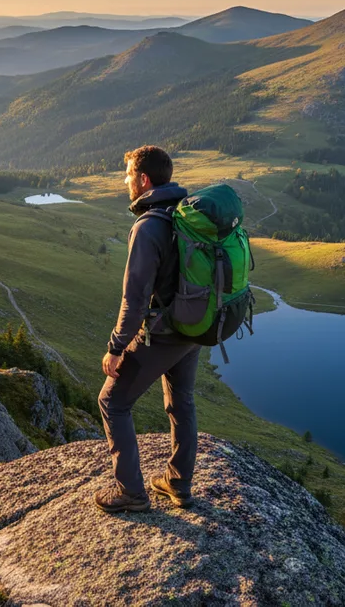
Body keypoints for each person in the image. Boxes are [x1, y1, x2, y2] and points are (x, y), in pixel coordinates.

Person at [95, 145, 199, 513]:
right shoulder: (183, 213)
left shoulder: (149, 226)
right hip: (193, 327)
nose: (125, 182)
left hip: (164, 332)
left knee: (112, 401)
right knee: (181, 400)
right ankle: (179, 483)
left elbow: (134, 299)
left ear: (143, 180)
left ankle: (131, 493)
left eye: (127, 176)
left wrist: (116, 346)